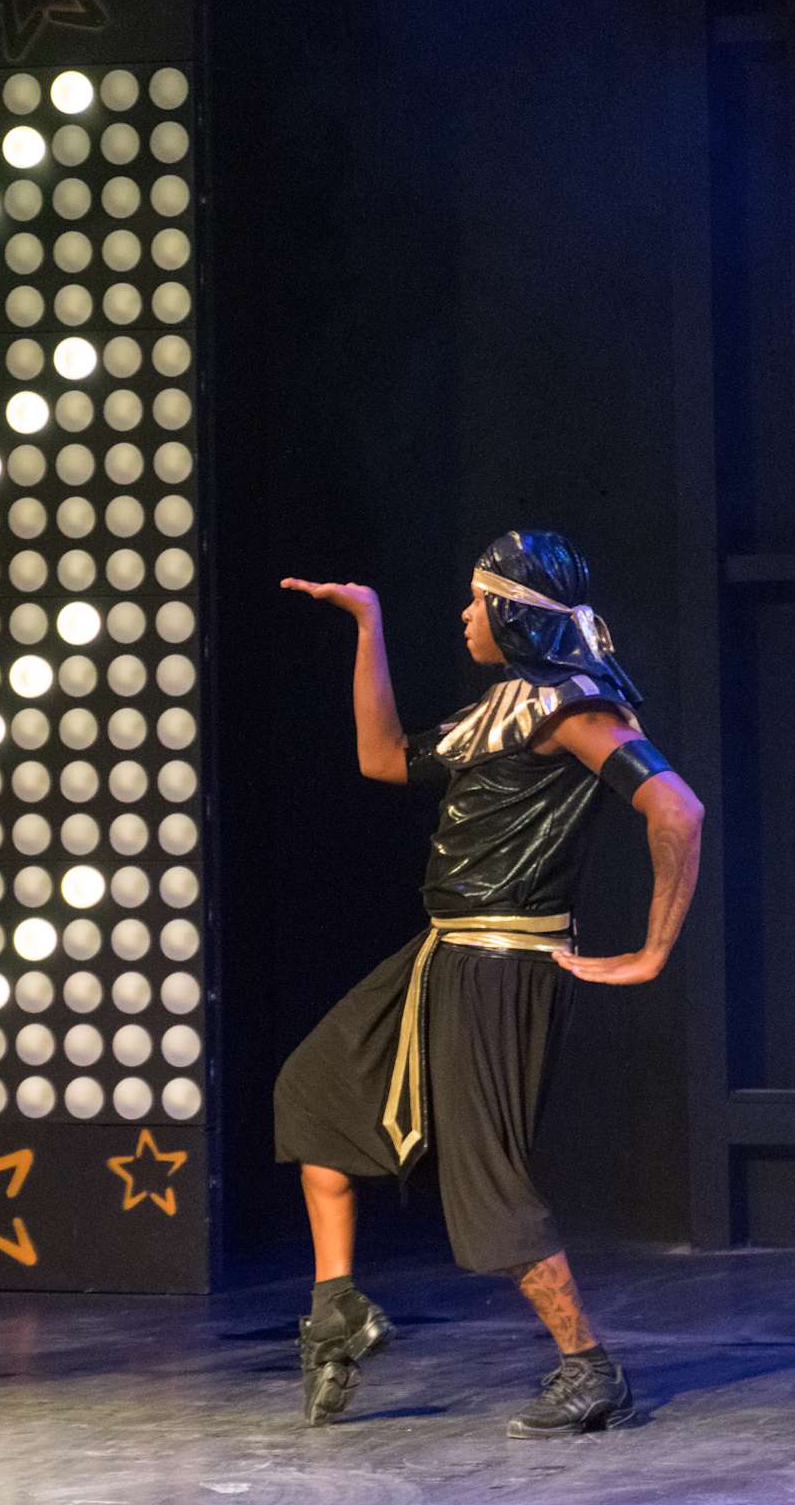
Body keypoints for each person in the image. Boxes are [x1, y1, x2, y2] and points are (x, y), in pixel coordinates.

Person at [275, 530, 703, 1437]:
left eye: (478, 600)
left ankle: (590, 1369)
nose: (466, 615)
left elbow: (677, 808)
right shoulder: (509, 706)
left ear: (514, 614)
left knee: (486, 1180)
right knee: (318, 1094)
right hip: (445, 953)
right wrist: (367, 625)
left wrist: (652, 950)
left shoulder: (574, 709)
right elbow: (384, 758)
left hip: (501, 966)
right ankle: (338, 1309)